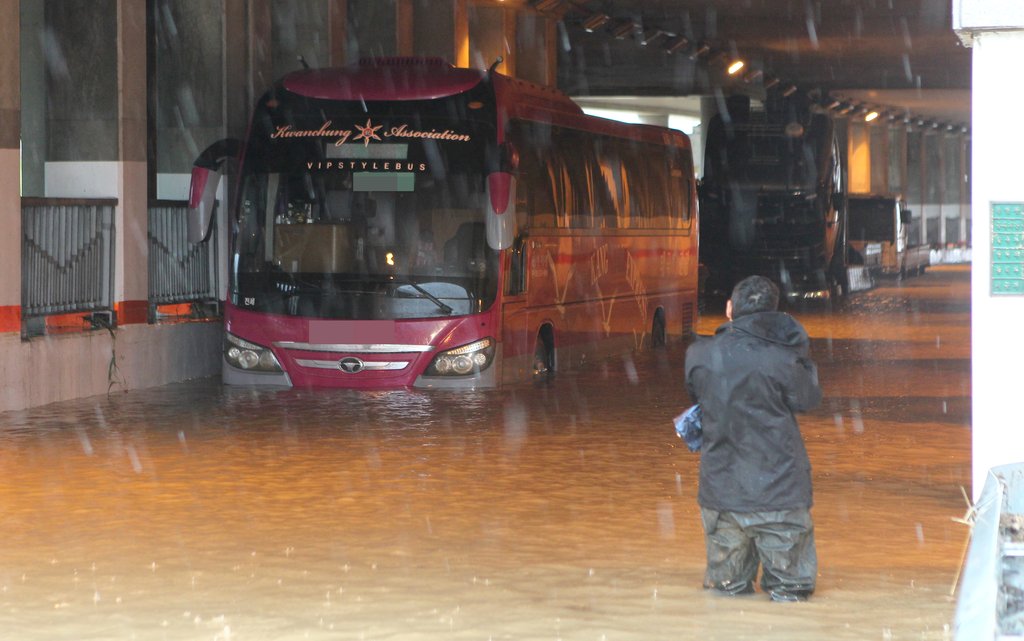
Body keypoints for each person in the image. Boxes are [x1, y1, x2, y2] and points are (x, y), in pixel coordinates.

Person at [684, 275, 822, 602]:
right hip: (780, 495)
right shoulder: (783, 358)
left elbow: (699, 398)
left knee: (726, 597)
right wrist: (799, 350)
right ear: (773, 313)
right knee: (791, 598)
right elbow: (808, 399)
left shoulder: (699, 355)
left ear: (730, 309)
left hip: (721, 495)